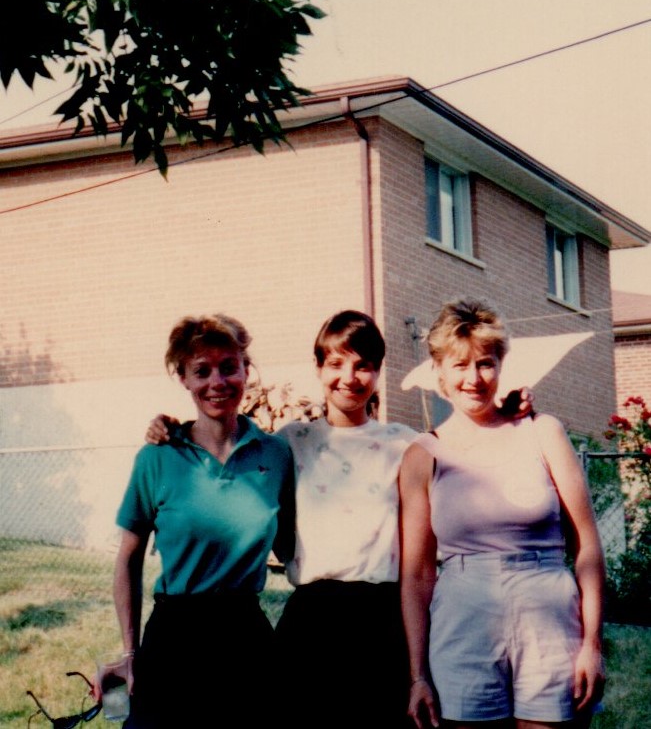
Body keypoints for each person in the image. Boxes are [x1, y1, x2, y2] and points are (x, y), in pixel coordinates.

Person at [145, 309, 534, 729]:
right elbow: (226, 441)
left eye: (363, 365)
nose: (349, 377)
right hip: (312, 623)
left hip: (383, 620)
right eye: (335, 363)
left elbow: (470, 450)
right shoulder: (291, 441)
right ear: (318, 368)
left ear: (378, 372)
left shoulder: (407, 444)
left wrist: (506, 411)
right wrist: (172, 428)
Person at [399, 297, 606, 729]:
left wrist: (592, 643)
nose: (473, 378)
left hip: (548, 613)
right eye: (459, 365)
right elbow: (417, 573)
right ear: (438, 371)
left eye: (485, 363)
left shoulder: (541, 431)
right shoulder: (423, 454)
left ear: (501, 364)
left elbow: (586, 545)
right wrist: (418, 675)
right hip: (464, 618)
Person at [108, 313, 295, 729]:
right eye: (201, 371)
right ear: (184, 379)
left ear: (247, 369)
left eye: (229, 367)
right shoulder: (157, 457)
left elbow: (293, 545)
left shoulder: (276, 455)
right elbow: (128, 558)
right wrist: (129, 653)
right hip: (175, 634)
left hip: (244, 631)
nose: (217, 382)